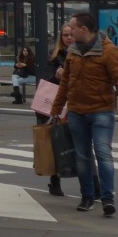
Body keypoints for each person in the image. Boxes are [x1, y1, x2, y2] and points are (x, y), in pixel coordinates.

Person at [49, 11, 118, 216]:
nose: (69, 32)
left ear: (84, 30)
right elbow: (65, 83)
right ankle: (87, 196)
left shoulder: (109, 51)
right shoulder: (72, 52)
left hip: (101, 112)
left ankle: (107, 199)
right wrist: (56, 109)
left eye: (73, 28)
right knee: (82, 156)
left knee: (103, 154)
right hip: (77, 112)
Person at [36, 24, 73, 197]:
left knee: (80, 144)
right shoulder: (55, 56)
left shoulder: (81, 54)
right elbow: (46, 78)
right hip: (57, 103)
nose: (69, 38)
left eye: (71, 34)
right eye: (65, 35)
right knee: (55, 141)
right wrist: (56, 75)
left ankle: (92, 184)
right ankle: (55, 180)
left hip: (75, 102)